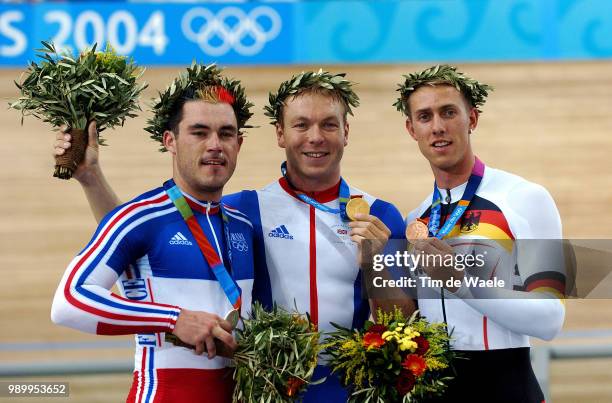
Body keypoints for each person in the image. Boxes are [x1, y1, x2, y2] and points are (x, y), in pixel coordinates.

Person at [54, 69, 412, 402]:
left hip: (347, 391)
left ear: (346, 132)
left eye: (329, 124)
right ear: (280, 134)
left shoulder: (380, 215)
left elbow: (409, 323)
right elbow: (149, 237)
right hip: (267, 389)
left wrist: (377, 263)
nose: (315, 137)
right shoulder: (246, 211)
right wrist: (92, 179)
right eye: (301, 124)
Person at [51, 64, 256, 403]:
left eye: (226, 133)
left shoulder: (244, 225)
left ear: (239, 143)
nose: (215, 145)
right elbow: (69, 303)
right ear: (170, 141)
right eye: (199, 132)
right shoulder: (138, 217)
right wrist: (172, 319)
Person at [394, 64, 566, 402]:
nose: (438, 127)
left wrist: (461, 281)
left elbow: (551, 319)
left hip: (507, 387)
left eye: (448, 112)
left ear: (471, 119)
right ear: (411, 129)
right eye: (425, 117)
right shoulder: (417, 219)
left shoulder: (525, 198)